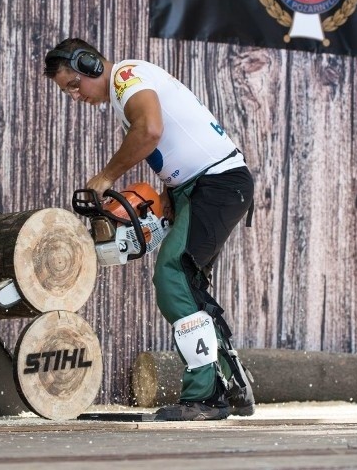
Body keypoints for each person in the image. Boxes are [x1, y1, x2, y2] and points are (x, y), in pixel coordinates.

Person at [44, 38, 256, 421]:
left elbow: (150, 131)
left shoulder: (126, 76)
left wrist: (107, 176)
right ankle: (232, 384)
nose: (75, 96)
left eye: (74, 85)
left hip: (215, 183)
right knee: (188, 284)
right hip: (200, 186)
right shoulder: (130, 86)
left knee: (173, 275)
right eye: (67, 92)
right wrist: (168, 200)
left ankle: (205, 397)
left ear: (91, 64)